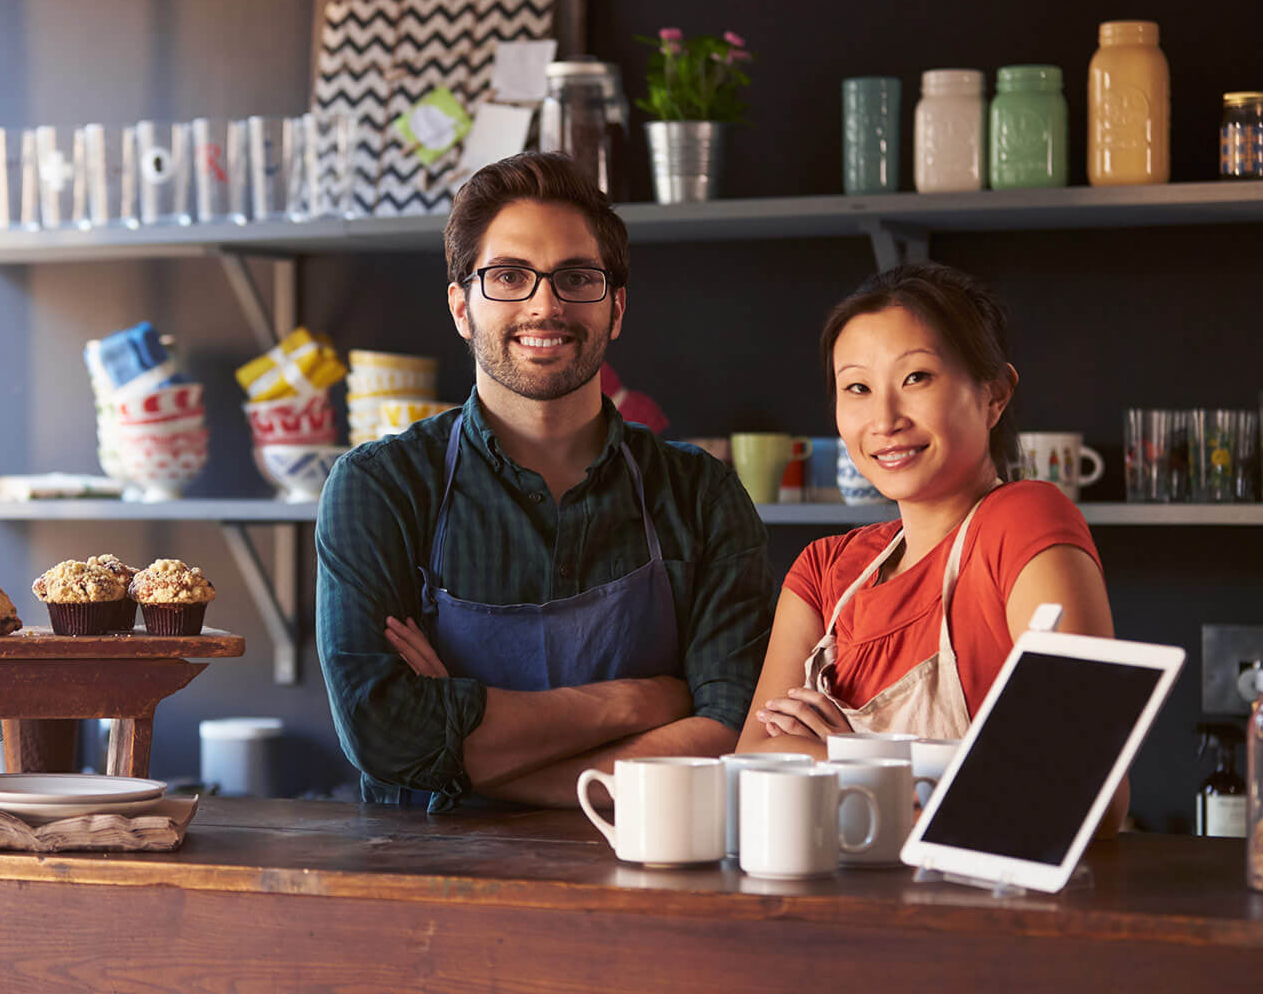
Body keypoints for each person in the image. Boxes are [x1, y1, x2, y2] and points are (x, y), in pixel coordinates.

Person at [315, 152, 776, 812]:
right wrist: (641, 701)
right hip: (426, 894)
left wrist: (459, 758)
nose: (545, 304)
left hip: (646, 888)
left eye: (576, 278)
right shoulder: (380, 488)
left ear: (615, 308)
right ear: (460, 307)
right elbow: (382, 732)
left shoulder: (701, 496)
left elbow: (729, 736)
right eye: (508, 276)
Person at [735, 262, 1127, 833]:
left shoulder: (1022, 523)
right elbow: (748, 769)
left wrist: (853, 758)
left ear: (994, 395)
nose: (885, 419)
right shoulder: (824, 571)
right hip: (826, 911)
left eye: (916, 377)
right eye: (858, 388)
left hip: (985, 912)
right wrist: (924, 780)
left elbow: (1089, 791)